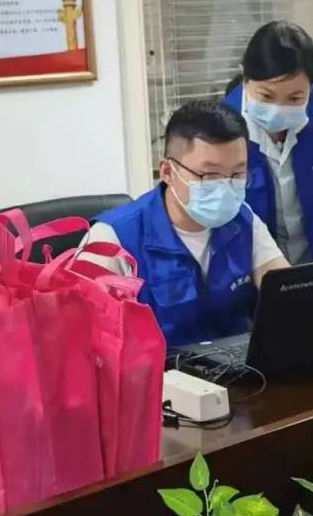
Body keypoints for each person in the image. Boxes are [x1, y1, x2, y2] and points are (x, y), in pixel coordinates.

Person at [85, 100, 288, 346]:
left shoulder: (243, 219)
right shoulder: (111, 238)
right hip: (159, 369)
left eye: (237, 174)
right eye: (209, 175)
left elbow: (288, 292)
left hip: (236, 363)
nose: (226, 186)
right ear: (167, 172)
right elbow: (90, 341)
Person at [223, 21, 313, 263]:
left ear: (311, 86)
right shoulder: (225, 122)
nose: (278, 108)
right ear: (245, 79)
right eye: (266, 95)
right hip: (258, 259)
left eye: (294, 98)